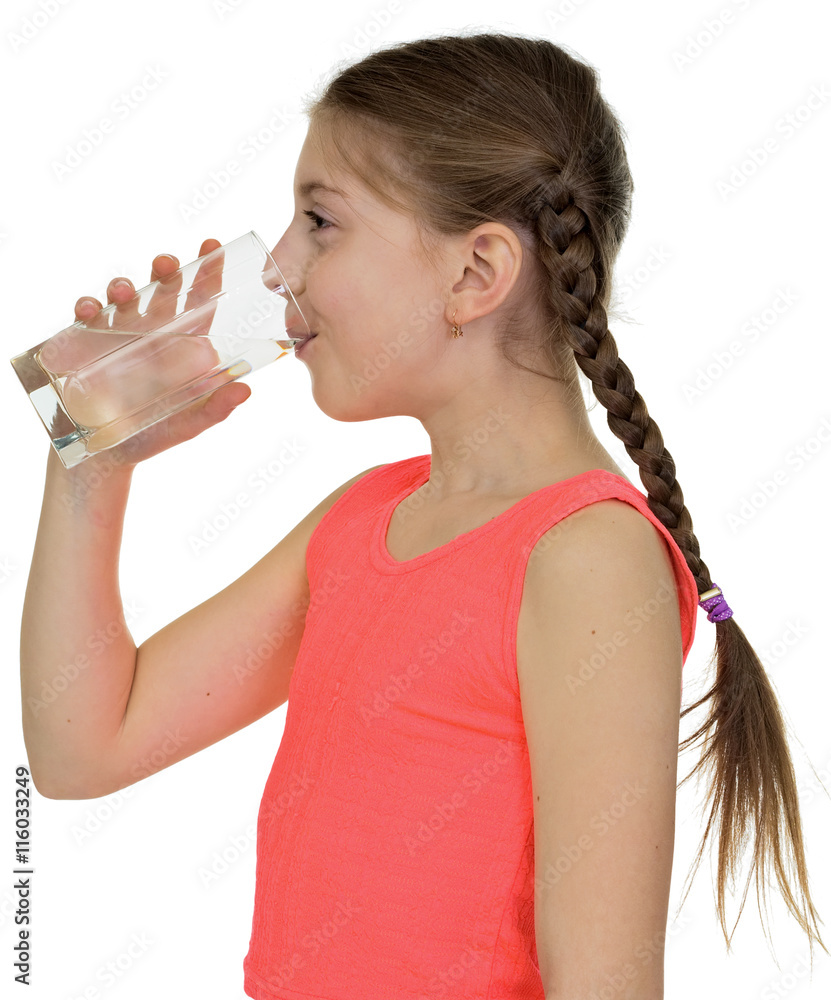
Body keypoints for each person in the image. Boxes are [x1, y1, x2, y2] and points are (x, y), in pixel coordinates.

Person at [19, 30, 826, 1000]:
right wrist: (93, 461)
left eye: (320, 221)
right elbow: (84, 744)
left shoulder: (587, 560)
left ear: (476, 274)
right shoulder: (363, 519)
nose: (276, 268)